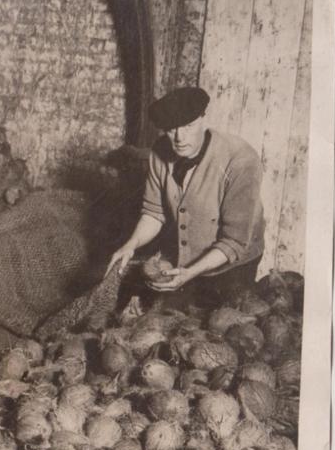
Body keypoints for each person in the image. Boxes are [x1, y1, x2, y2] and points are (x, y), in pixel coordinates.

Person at [108, 86, 265, 307]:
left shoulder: (240, 160)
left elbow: (234, 242)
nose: (180, 138)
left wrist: (190, 273)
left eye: (188, 126)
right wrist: (131, 245)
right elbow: (154, 212)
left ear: (203, 119)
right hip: (186, 260)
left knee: (222, 324)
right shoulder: (159, 153)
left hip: (233, 265)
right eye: (171, 130)